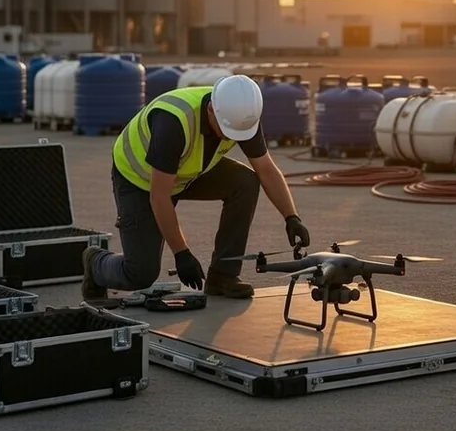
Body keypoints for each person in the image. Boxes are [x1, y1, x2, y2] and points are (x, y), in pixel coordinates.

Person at [81, 74, 312, 301]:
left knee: (245, 182)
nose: (231, 137)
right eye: (226, 130)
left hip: (187, 170)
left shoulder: (241, 116)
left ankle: (223, 275)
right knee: (140, 274)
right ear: (211, 109)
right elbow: (160, 197)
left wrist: (291, 217)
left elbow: (267, 170)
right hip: (140, 179)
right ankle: (95, 263)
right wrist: (182, 253)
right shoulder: (173, 121)